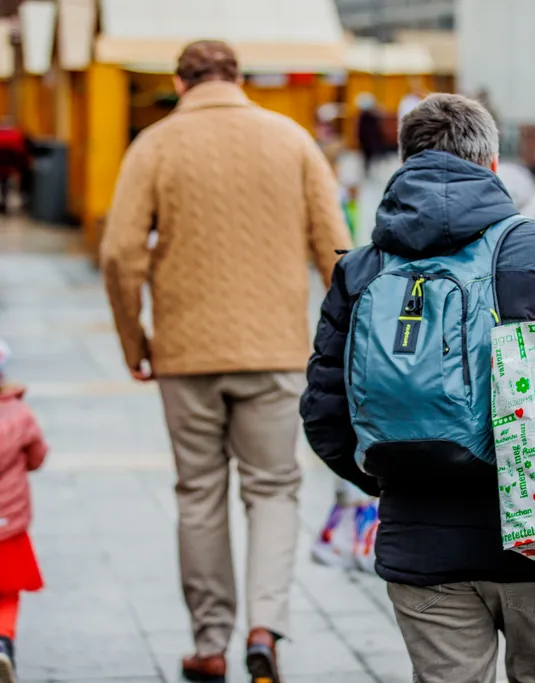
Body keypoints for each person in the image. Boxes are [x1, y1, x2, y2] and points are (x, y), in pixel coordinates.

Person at [300, 93, 535, 683]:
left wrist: (400, 470)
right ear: (493, 166)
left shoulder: (361, 270)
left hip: (418, 545)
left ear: (403, 161)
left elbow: (324, 415)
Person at [100, 40, 350, 683]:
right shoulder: (291, 140)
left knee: (199, 494)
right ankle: (264, 625)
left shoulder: (152, 146)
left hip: (185, 353)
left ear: (180, 85)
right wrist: (340, 344)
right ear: (238, 80)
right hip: (274, 350)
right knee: (273, 488)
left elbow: (119, 254)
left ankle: (209, 642)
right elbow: (337, 250)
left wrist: (137, 343)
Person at [0, 340, 48, 683]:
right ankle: (2, 643)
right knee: (6, 593)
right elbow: (37, 456)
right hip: (9, 526)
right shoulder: (19, 413)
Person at [0, 120, 30, 214]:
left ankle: (4, 202)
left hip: (4, 167)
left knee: (4, 184)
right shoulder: (15, 137)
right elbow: (21, 153)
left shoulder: (6, 137)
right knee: (5, 184)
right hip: (10, 167)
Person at [357, 92, 384, 179]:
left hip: (371, 140)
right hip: (366, 140)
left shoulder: (372, 115)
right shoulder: (363, 116)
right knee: (367, 157)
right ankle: (367, 170)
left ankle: (369, 170)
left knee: (370, 156)